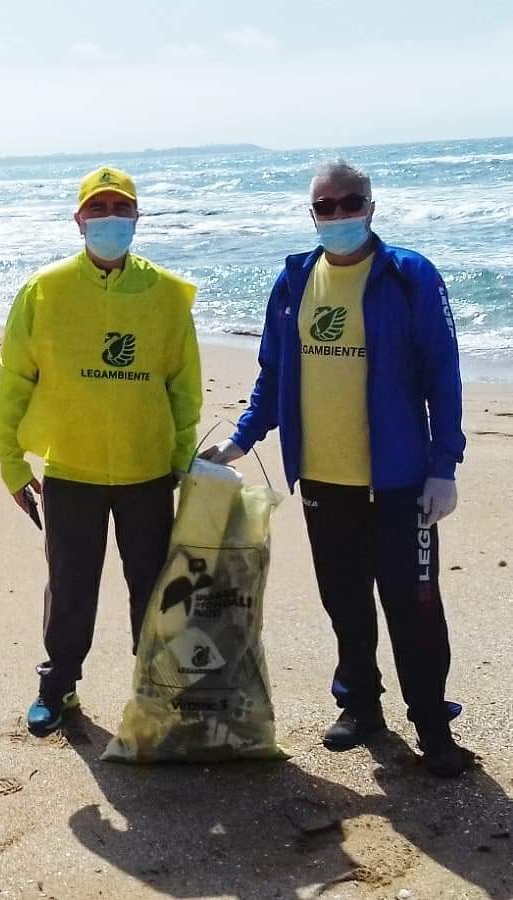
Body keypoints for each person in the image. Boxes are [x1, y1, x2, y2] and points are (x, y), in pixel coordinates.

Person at [202, 159, 475, 777]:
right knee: (345, 601)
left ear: (371, 206)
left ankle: (432, 724)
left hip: (401, 482)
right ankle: (360, 707)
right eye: (325, 206)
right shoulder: (295, 279)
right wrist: (241, 442)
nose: (339, 214)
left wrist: (443, 467)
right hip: (325, 480)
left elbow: (444, 377)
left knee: (414, 604)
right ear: (313, 215)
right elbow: (272, 375)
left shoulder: (410, 276)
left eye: (350, 202)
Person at [0, 166, 202, 735]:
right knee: (70, 585)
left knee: (153, 588)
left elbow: (184, 385)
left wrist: (181, 457)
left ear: (137, 218)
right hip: (71, 467)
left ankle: (157, 697)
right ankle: (57, 686)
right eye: (99, 209)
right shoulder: (47, 289)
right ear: (79, 220)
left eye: (121, 209)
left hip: (147, 469)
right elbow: (15, 378)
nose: (111, 219)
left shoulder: (165, 293)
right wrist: (12, 462)